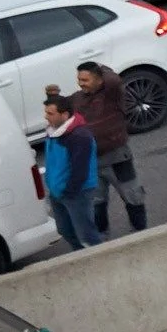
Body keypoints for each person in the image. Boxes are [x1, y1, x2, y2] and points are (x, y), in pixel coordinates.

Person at [64, 61, 145, 237]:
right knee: (97, 202)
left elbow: (114, 80)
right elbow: (61, 109)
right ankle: (102, 237)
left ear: (100, 80)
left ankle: (141, 233)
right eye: (79, 79)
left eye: (85, 79)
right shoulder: (77, 98)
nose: (81, 83)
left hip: (118, 160)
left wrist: (100, 67)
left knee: (133, 196)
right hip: (91, 162)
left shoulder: (111, 94)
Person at [36, 93, 101, 250]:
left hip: (76, 193)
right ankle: (81, 253)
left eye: (50, 113)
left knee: (86, 234)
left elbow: (80, 171)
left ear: (64, 115)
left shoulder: (79, 137)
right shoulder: (53, 132)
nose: (46, 117)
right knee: (64, 229)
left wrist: (68, 191)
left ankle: (95, 257)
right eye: (46, 113)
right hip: (59, 192)